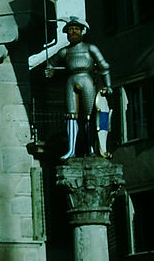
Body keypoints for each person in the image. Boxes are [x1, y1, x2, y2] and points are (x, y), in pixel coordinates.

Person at [45, 16, 112, 159]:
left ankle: (91, 148)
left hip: (86, 79)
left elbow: (104, 67)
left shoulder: (90, 48)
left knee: (90, 115)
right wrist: (49, 70)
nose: (73, 32)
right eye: (70, 30)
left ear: (82, 31)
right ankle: (71, 150)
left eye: (76, 29)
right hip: (71, 80)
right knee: (71, 116)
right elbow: (50, 63)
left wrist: (108, 85)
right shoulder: (65, 52)